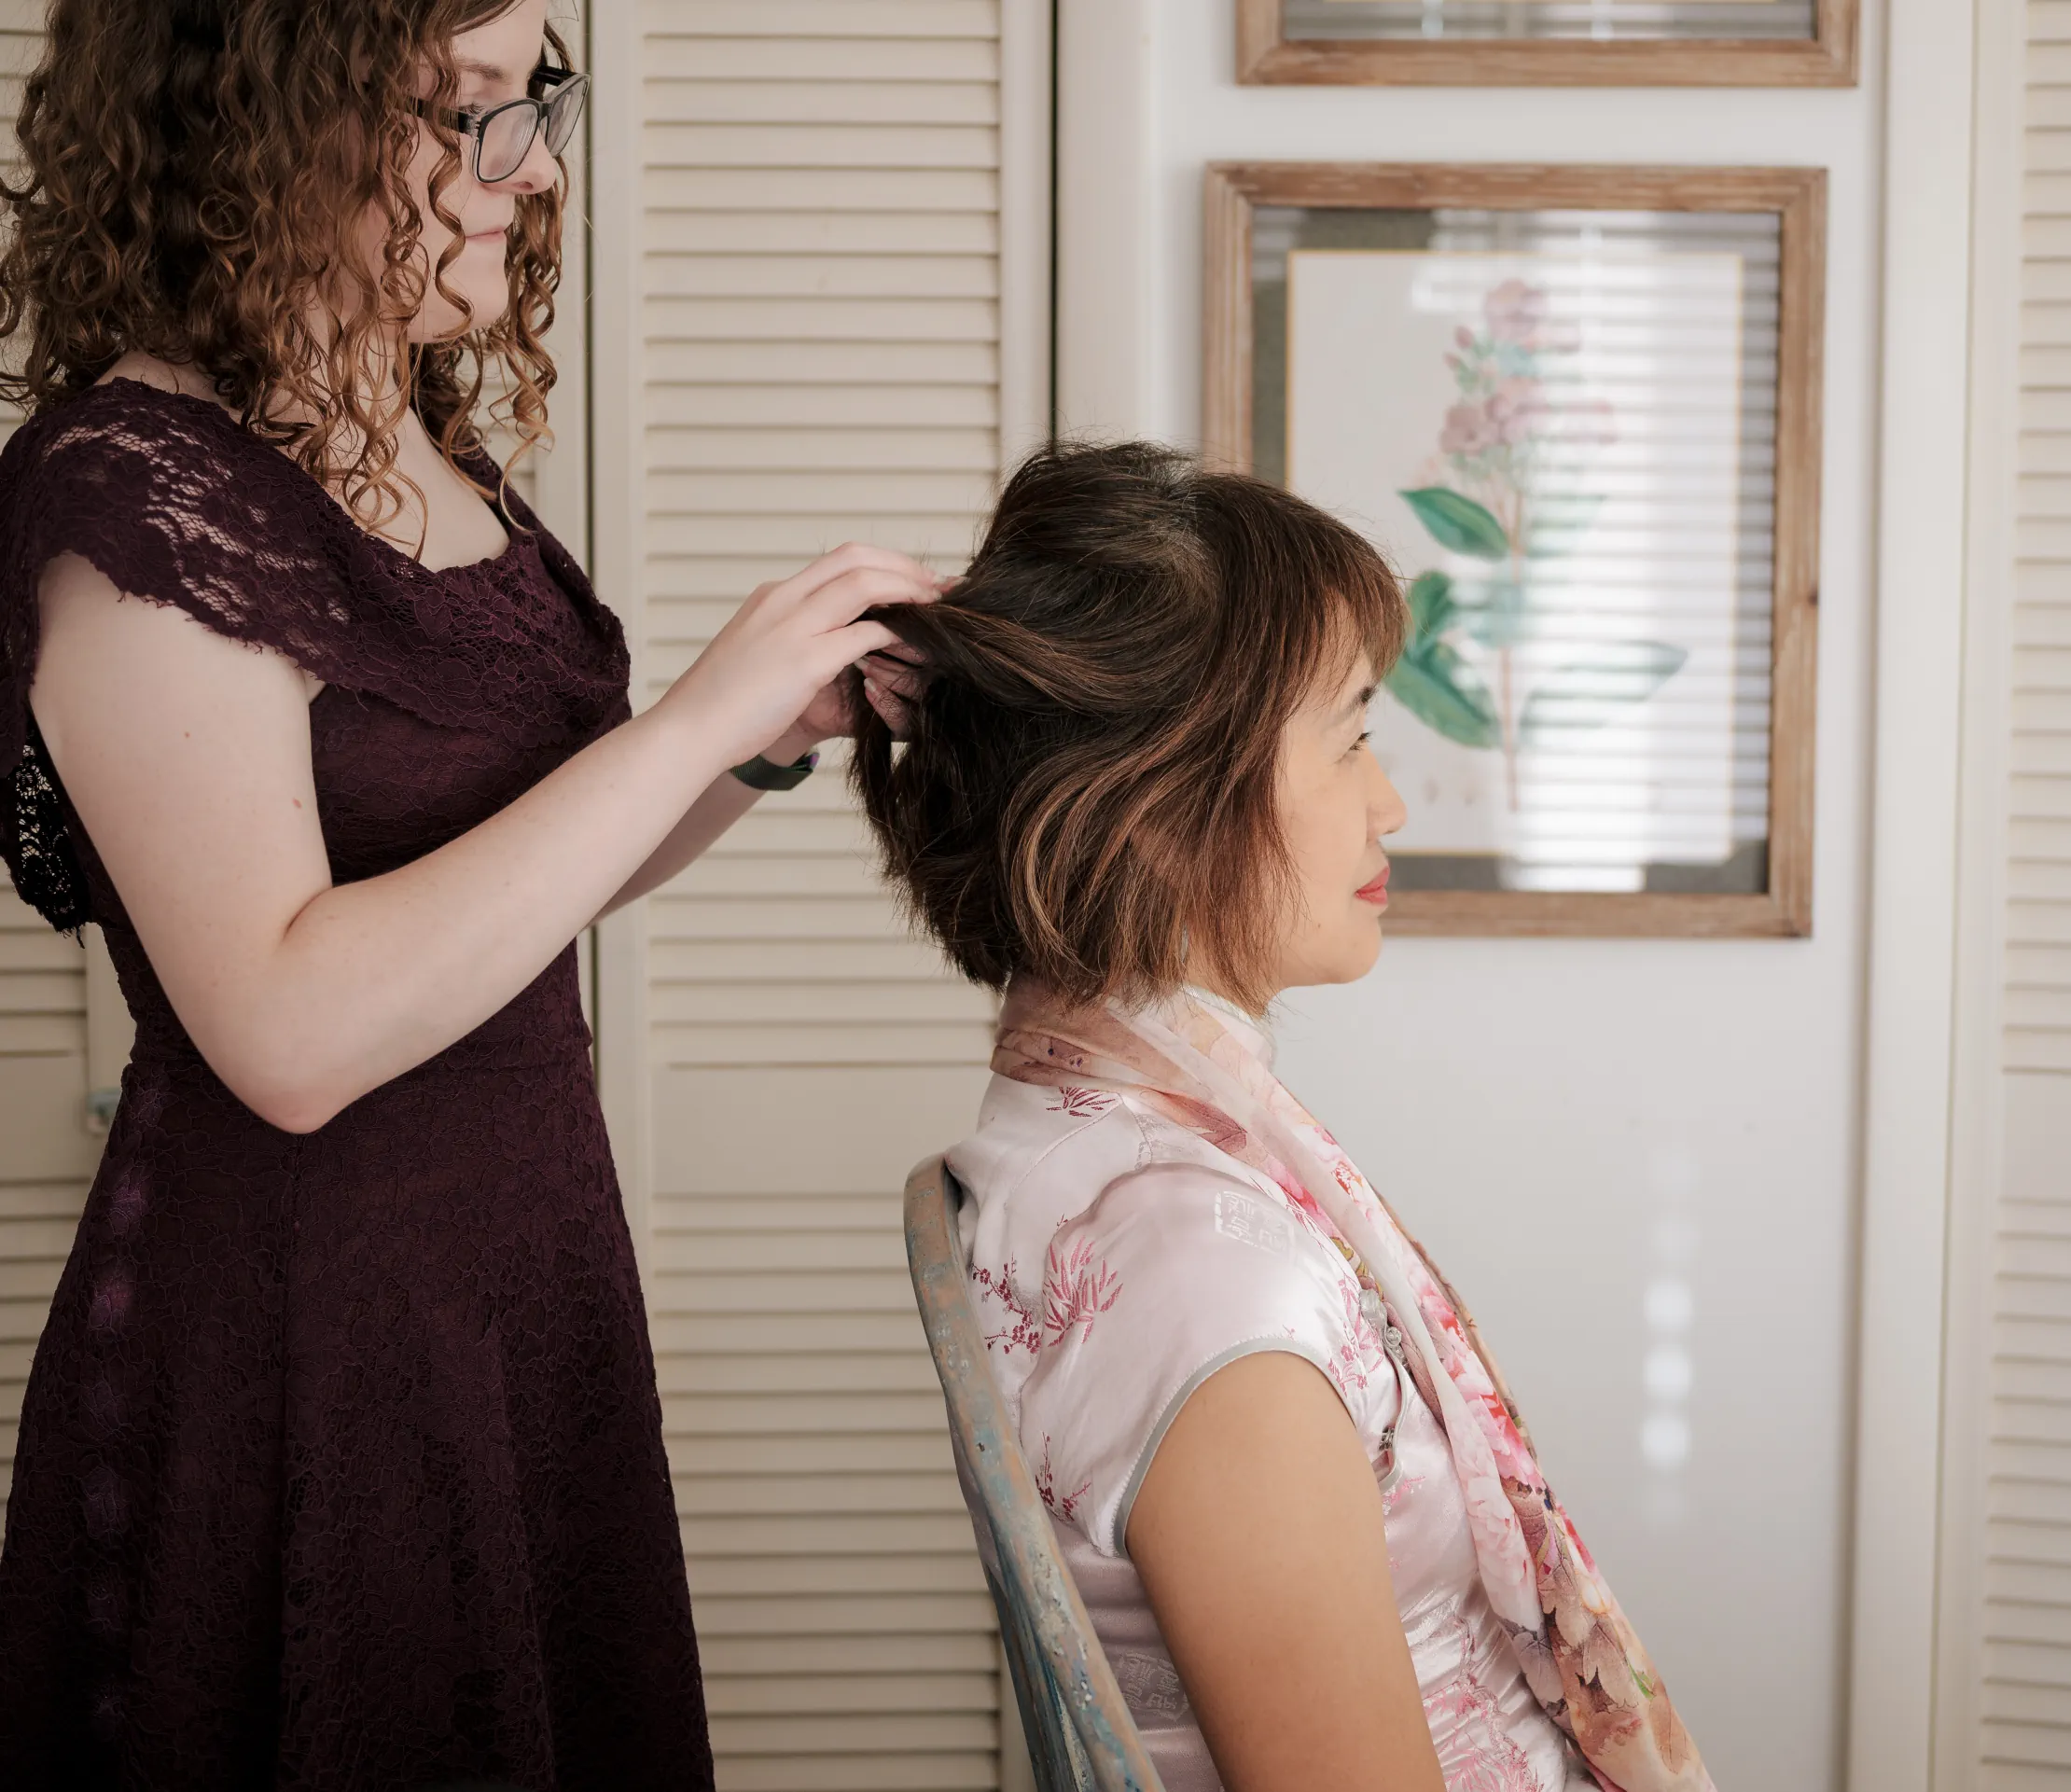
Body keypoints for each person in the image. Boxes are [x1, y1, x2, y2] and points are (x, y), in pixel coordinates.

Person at [0, 2, 931, 1784]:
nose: (529, 172)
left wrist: (753, 746)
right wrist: (690, 723)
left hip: (518, 1276)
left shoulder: (418, 439)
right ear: (257, 124)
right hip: (295, 1318)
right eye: (464, 113)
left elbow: (516, 890)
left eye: (534, 106)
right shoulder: (132, 493)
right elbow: (283, 1025)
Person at [852, 440, 1714, 1792]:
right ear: (1156, 807)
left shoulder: (1073, 1141)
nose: (1391, 800)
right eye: (1355, 734)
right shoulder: (1200, 1272)